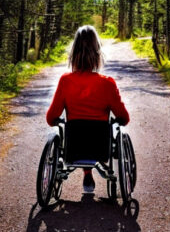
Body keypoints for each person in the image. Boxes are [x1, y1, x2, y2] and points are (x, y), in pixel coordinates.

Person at [46, 25, 129, 193]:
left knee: (71, 131)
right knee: (104, 130)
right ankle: (89, 172)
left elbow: (51, 118)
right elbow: (124, 118)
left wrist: (57, 118)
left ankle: (87, 173)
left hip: (73, 145)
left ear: (73, 52)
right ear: (97, 53)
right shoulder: (107, 83)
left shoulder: (65, 81)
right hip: (100, 147)